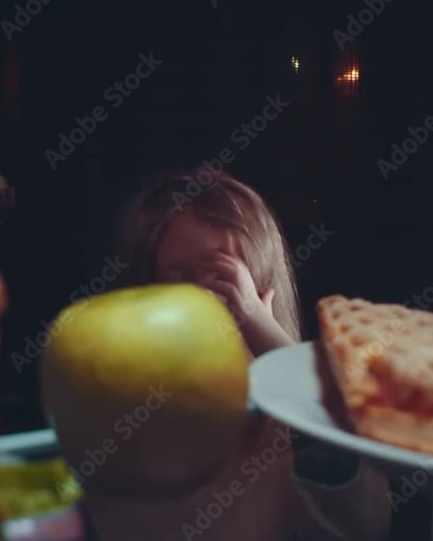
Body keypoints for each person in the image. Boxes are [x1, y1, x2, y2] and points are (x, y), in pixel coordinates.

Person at [84, 168, 392, 541]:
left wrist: (261, 331)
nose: (206, 306)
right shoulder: (124, 409)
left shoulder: (286, 419)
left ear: (265, 303)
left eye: (226, 284)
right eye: (176, 283)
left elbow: (361, 524)